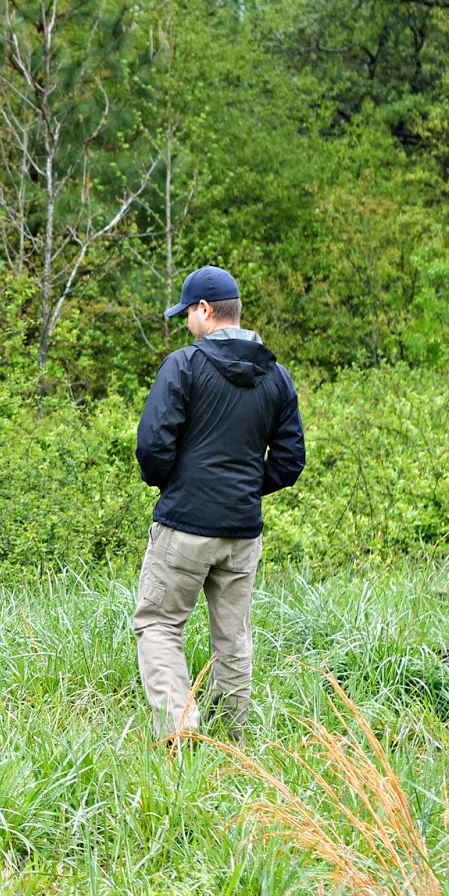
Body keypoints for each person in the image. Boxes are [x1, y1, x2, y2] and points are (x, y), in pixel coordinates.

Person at [133, 266, 305, 742]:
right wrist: (243, 487)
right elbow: (290, 460)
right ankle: (231, 744)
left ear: (205, 310)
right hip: (241, 532)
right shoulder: (276, 375)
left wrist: (175, 484)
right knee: (233, 639)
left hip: (184, 526)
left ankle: (179, 733)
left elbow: (152, 447)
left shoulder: (183, 366)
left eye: (187, 313)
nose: (186, 322)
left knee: (158, 624)